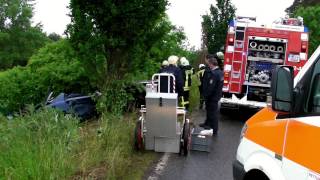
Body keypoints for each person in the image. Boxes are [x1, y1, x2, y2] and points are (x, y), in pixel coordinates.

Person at [199, 55, 223, 133]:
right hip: (216, 96)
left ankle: (214, 129)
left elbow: (211, 87)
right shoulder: (220, 72)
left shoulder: (215, 74)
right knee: (212, 112)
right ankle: (210, 126)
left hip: (212, 97)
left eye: (209, 64)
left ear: (212, 64)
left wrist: (206, 95)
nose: (209, 66)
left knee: (213, 113)